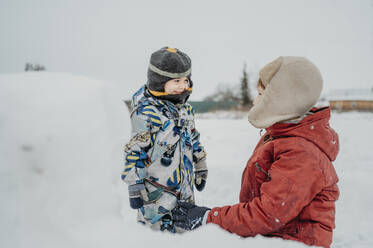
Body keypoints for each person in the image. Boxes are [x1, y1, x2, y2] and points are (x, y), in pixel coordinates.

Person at [172, 56, 340, 248]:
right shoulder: (281, 135)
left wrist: (209, 218)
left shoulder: (301, 153)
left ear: (283, 101)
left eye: (261, 94)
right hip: (272, 237)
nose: (254, 101)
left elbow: (268, 214)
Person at [121, 47, 208, 232]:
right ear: (159, 82)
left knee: (184, 231)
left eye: (186, 80)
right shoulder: (146, 113)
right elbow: (134, 150)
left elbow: (193, 138)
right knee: (156, 237)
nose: (182, 86)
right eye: (176, 81)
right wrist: (134, 184)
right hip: (156, 194)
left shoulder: (186, 110)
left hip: (184, 191)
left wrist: (200, 164)